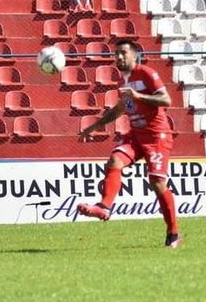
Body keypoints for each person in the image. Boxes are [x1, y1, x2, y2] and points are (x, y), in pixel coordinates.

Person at [77, 40, 182, 249]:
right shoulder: (123, 81)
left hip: (156, 137)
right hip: (136, 135)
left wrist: (138, 96)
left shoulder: (147, 73)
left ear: (135, 56)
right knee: (115, 160)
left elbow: (166, 100)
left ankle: (173, 234)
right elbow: (121, 109)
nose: (119, 57)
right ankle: (104, 207)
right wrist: (95, 126)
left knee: (157, 183)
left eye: (123, 53)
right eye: (116, 54)